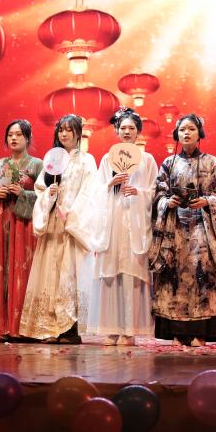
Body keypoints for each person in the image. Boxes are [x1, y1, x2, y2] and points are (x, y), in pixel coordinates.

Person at [149, 114, 216, 347]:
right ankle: (176, 333)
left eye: (191, 129)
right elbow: (157, 195)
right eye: (182, 129)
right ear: (177, 134)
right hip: (174, 228)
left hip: (202, 229)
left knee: (202, 278)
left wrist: (207, 201)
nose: (186, 133)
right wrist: (167, 202)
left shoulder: (211, 162)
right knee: (174, 278)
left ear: (200, 134)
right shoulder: (168, 163)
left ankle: (200, 333)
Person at [85, 108, 158, 345]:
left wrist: (139, 192)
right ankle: (111, 329)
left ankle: (130, 330)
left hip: (135, 221)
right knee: (111, 272)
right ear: (117, 131)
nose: (127, 132)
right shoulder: (108, 159)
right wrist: (110, 184)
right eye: (123, 128)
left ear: (138, 132)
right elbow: (96, 191)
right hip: (113, 220)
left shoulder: (147, 160)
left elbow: (155, 191)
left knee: (130, 273)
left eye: (131, 128)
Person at [20, 115, 94, 343]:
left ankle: (70, 329)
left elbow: (89, 192)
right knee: (50, 273)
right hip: (53, 223)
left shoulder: (87, 160)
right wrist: (49, 195)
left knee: (69, 275)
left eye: (69, 129)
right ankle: (49, 327)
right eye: (61, 129)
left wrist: (72, 214)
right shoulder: (52, 158)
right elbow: (41, 189)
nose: (64, 134)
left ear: (78, 133)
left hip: (72, 225)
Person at [0, 120, 45, 341]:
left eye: (19, 134)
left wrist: (24, 194)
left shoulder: (37, 165)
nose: (14, 138)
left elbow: (46, 196)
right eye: (10, 134)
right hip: (4, 222)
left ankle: (25, 327)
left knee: (25, 270)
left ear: (27, 138)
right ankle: (4, 327)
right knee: (3, 270)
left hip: (25, 224)